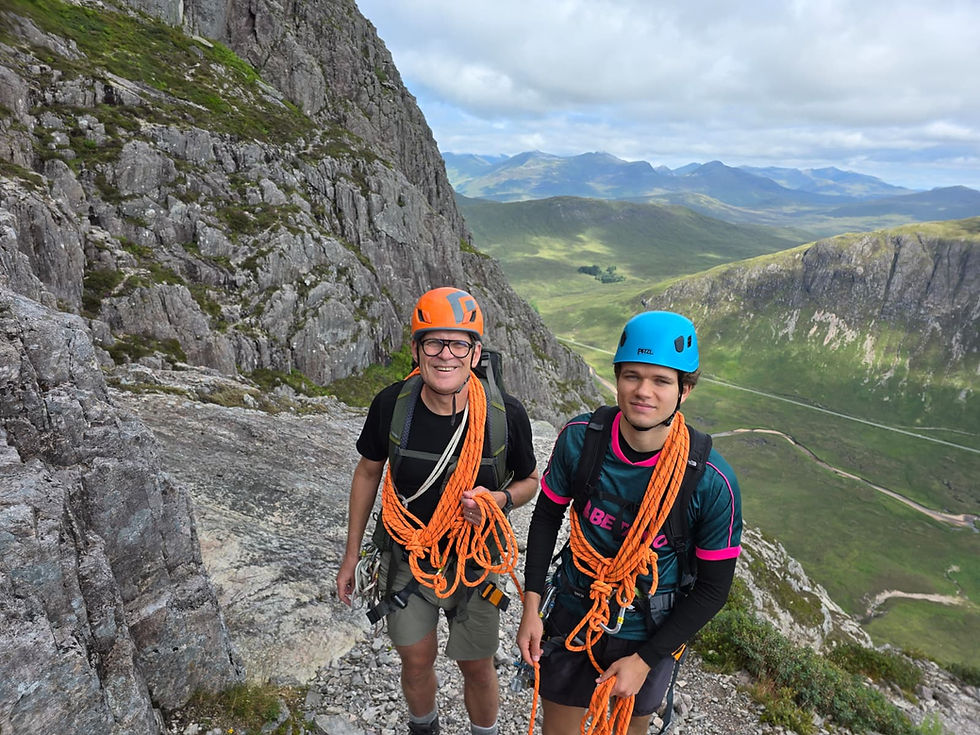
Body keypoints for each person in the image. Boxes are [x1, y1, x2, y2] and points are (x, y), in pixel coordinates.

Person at [516, 310, 742, 735]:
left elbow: (714, 589)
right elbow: (547, 515)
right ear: (617, 377)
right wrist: (531, 605)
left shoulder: (711, 482)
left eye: (661, 380)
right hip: (573, 613)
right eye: (632, 376)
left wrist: (645, 660)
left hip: (649, 634)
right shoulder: (580, 440)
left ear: (684, 391)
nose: (643, 391)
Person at [337, 287, 539, 735]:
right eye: (434, 342)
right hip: (408, 558)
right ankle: (423, 728)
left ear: (476, 352)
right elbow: (368, 473)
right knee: (414, 658)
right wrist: (351, 554)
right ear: (416, 349)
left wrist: (499, 500)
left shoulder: (505, 415)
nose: (445, 354)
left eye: (458, 343)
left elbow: (530, 482)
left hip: (475, 562)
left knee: (476, 665)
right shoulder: (392, 405)